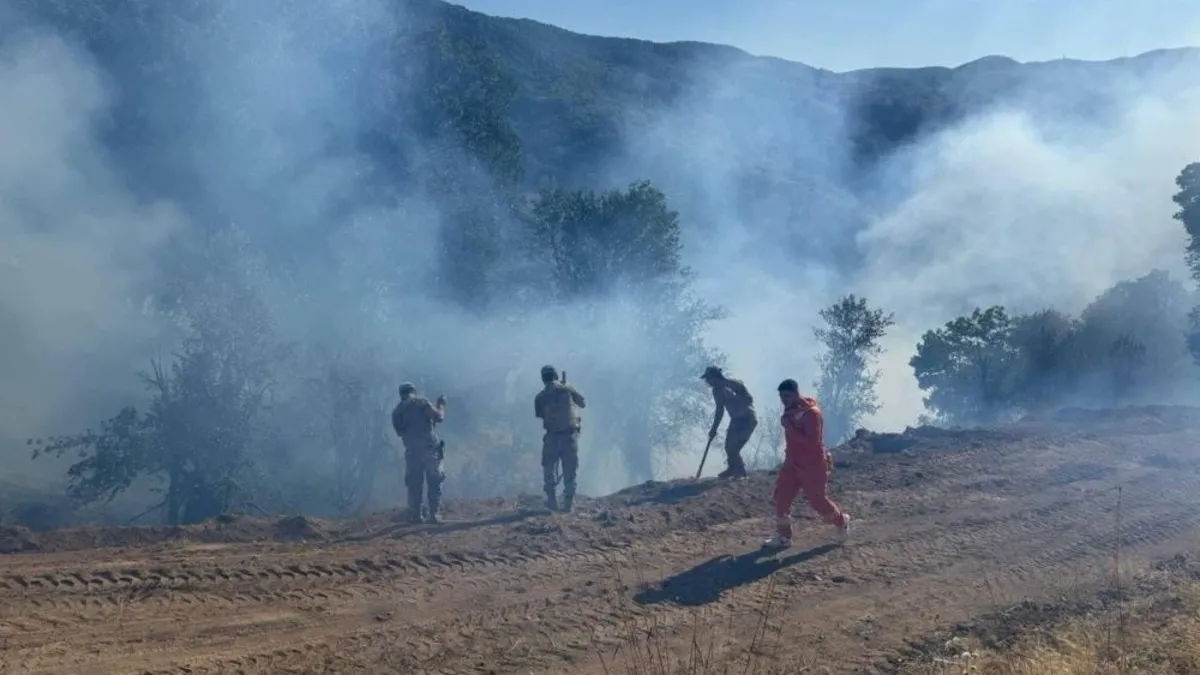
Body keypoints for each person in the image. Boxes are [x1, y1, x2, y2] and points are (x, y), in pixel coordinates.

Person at [765, 378, 850, 548]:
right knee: (781, 497)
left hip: (812, 465)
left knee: (817, 501)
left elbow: (812, 442)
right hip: (792, 463)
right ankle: (783, 537)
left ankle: (841, 521)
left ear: (796, 393)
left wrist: (790, 428)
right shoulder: (791, 410)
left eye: (787, 396)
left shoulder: (811, 413)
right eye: (781, 397)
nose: (783, 401)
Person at [391, 382, 447, 524]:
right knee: (434, 481)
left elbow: (401, 432)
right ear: (413, 391)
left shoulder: (396, 412)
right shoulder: (421, 402)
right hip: (429, 448)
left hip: (412, 451)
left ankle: (416, 515)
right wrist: (441, 405)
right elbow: (439, 417)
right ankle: (434, 515)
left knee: (414, 484)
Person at [534, 365, 586, 512]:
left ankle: (552, 502)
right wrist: (569, 389)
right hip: (569, 436)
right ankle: (568, 505)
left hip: (551, 438)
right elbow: (582, 403)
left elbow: (540, 415)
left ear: (543, 379)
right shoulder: (567, 389)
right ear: (556, 375)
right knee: (570, 472)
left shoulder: (539, 397)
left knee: (549, 470)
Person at [701, 365, 757, 479]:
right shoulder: (717, 391)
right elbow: (719, 411)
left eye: (708, 379)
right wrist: (714, 429)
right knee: (729, 446)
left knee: (733, 447)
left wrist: (738, 401)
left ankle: (739, 470)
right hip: (736, 420)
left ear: (715, 377)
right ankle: (733, 468)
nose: (708, 382)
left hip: (747, 418)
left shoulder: (734, 384)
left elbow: (749, 399)